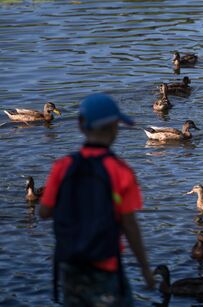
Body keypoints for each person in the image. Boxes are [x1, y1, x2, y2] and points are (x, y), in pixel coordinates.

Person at [39, 93, 155, 306]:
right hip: (106, 265)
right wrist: (146, 270)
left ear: (81, 125)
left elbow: (44, 212)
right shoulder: (120, 171)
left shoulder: (62, 167)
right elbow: (129, 224)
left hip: (70, 266)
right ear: (114, 129)